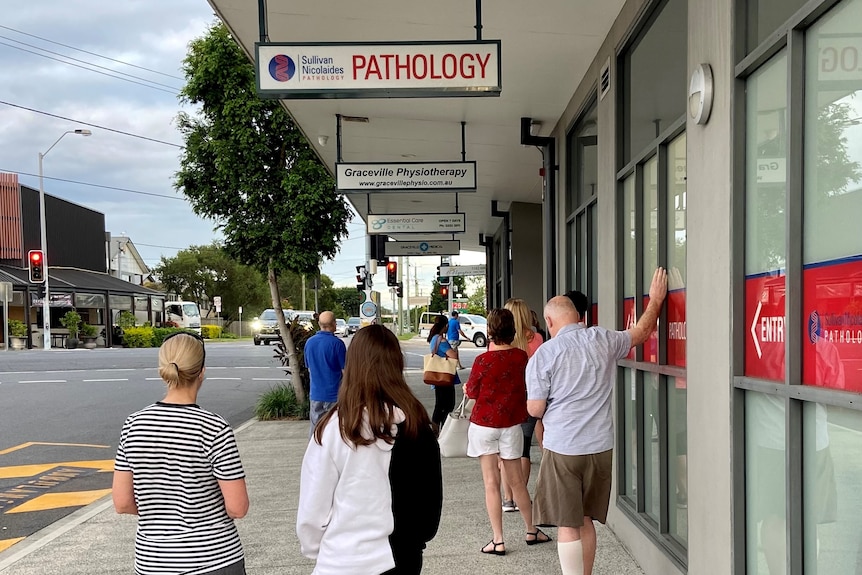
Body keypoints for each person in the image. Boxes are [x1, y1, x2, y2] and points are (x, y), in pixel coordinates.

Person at [526, 268, 667, 575]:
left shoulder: (544, 355)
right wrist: (655, 300)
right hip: (600, 446)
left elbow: (535, 409)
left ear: (549, 322)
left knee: (567, 523)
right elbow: (641, 333)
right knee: (587, 519)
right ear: (578, 317)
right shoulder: (602, 339)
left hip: (563, 447)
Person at [297, 325, 442, 575]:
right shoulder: (417, 425)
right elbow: (430, 508)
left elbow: (313, 507)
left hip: (343, 559)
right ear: (397, 364)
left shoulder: (335, 427)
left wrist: (317, 549)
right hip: (403, 556)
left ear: (352, 366)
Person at [112, 332, 249, 575]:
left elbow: (122, 503)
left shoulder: (133, 425)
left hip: (152, 561)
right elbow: (237, 507)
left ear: (162, 370)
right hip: (214, 559)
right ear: (202, 371)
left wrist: (162, 516)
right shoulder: (213, 428)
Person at [465, 308, 552, 557]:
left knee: (491, 483)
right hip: (511, 425)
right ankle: (531, 530)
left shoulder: (483, 361)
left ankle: (498, 540)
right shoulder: (521, 358)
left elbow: (472, 391)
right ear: (513, 331)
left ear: (490, 332)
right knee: (517, 483)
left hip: (484, 425)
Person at [495, 298, 544, 513]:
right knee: (523, 449)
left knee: (504, 451)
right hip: (529, 397)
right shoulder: (537, 339)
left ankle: (507, 499)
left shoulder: (496, 342)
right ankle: (520, 495)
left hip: (504, 402)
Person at [304, 310, 347, 437]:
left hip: (316, 394)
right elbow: (345, 371)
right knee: (336, 430)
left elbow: (309, 368)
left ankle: (314, 453)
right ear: (334, 324)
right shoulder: (337, 344)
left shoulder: (309, 342)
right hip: (334, 395)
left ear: (319, 324)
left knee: (316, 430)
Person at [428, 314, 461, 436]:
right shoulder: (441, 340)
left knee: (440, 404)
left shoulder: (433, 338)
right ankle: (442, 429)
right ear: (445, 325)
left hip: (437, 376)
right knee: (448, 404)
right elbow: (453, 356)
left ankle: (436, 429)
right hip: (445, 376)